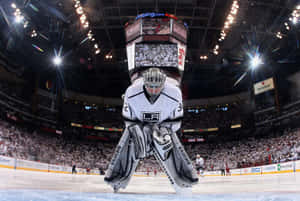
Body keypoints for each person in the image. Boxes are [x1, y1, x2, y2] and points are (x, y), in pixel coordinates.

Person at [104, 68, 198, 193]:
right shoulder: (131, 93)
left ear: (164, 84)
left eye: (157, 87)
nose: (154, 90)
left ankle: (183, 180)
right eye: (150, 87)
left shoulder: (174, 93)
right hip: (140, 125)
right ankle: (116, 180)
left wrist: (162, 132)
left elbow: (176, 122)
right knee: (132, 138)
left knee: (168, 143)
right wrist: (139, 131)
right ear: (144, 83)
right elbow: (129, 121)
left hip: (163, 127)